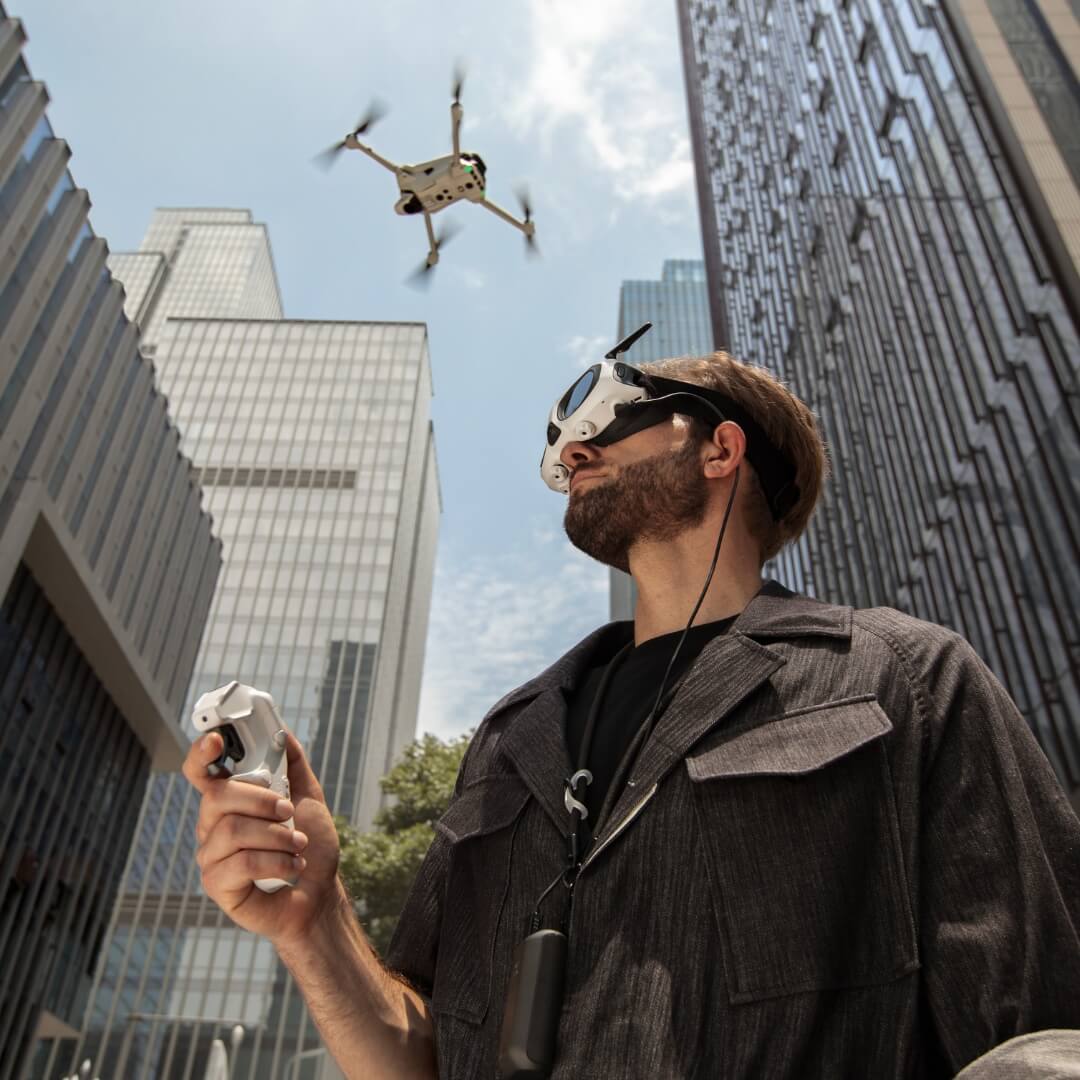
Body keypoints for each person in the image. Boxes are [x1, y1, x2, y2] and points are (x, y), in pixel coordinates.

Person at [183, 349, 1080, 1079]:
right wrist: (315, 925)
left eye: (611, 419)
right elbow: (424, 1058)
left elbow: (1038, 1039)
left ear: (720, 450)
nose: (572, 452)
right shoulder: (512, 733)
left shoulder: (904, 678)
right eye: (562, 445)